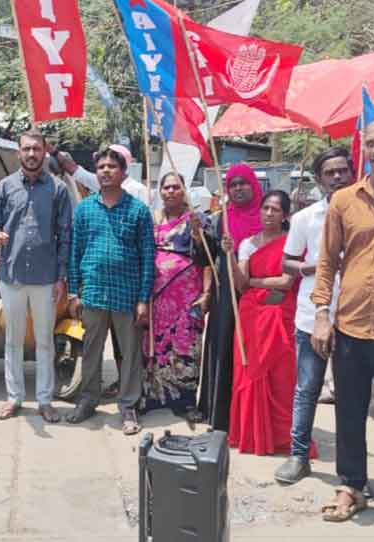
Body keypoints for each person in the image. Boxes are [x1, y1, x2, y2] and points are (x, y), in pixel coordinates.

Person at [313, 118, 374, 522]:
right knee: (350, 412)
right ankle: (351, 486)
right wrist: (322, 313)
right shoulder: (344, 200)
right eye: (371, 143)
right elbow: (326, 263)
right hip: (352, 324)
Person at [274, 148, 353, 484]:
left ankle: (351, 469)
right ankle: (298, 456)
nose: (336, 177)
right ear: (319, 179)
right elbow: (286, 262)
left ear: (351, 172)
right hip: (312, 317)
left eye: (341, 171)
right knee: (306, 389)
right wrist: (313, 267)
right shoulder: (306, 219)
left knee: (352, 395)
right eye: (329, 172)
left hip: (355, 317)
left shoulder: (368, 213)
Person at [0, 129, 72, 424]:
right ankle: (14, 397)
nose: (32, 154)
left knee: (45, 340)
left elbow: (65, 235)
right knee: (13, 340)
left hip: (46, 277)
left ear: (45, 152)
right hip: (12, 275)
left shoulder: (58, 189)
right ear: (18, 153)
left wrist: (62, 277)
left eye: (37, 149)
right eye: (26, 149)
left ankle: (45, 400)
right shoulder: (5, 187)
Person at [67, 147, 154, 433]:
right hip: (92, 292)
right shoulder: (84, 209)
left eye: (111, 167)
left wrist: (143, 299)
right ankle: (88, 400)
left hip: (127, 295)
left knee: (129, 354)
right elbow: (74, 252)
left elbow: (147, 257)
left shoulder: (139, 211)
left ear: (123, 172)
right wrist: (73, 292)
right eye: (101, 166)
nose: (105, 171)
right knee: (91, 351)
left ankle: (128, 406)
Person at [224, 190, 298, 455]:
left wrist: (255, 282)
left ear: (285, 215)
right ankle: (252, 435)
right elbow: (241, 283)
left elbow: (286, 282)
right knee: (249, 372)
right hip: (251, 316)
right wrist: (231, 256)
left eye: (275, 210)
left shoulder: (292, 243)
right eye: (266, 208)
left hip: (279, 315)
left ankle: (280, 437)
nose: (269, 213)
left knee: (281, 375)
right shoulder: (247, 244)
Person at [140, 172, 209, 421]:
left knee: (185, 346)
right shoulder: (152, 219)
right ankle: (153, 396)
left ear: (184, 191)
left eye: (175, 187)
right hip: (157, 296)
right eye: (166, 187)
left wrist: (199, 236)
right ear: (160, 192)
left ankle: (186, 402)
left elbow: (208, 259)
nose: (170, 191)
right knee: (154, 346)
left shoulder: (196, 220)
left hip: (186, 297)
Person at [199, 163, 263, 431]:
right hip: (226, 294)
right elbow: (204, 258)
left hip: (259, 294)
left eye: (243, 183)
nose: (238, 189)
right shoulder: (220, 219)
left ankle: (254, 414)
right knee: (224, 347)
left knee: (255, 351)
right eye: (233, 185)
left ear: (254, 185)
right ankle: (220, 413)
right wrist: (197, 235)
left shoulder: (269, 215)